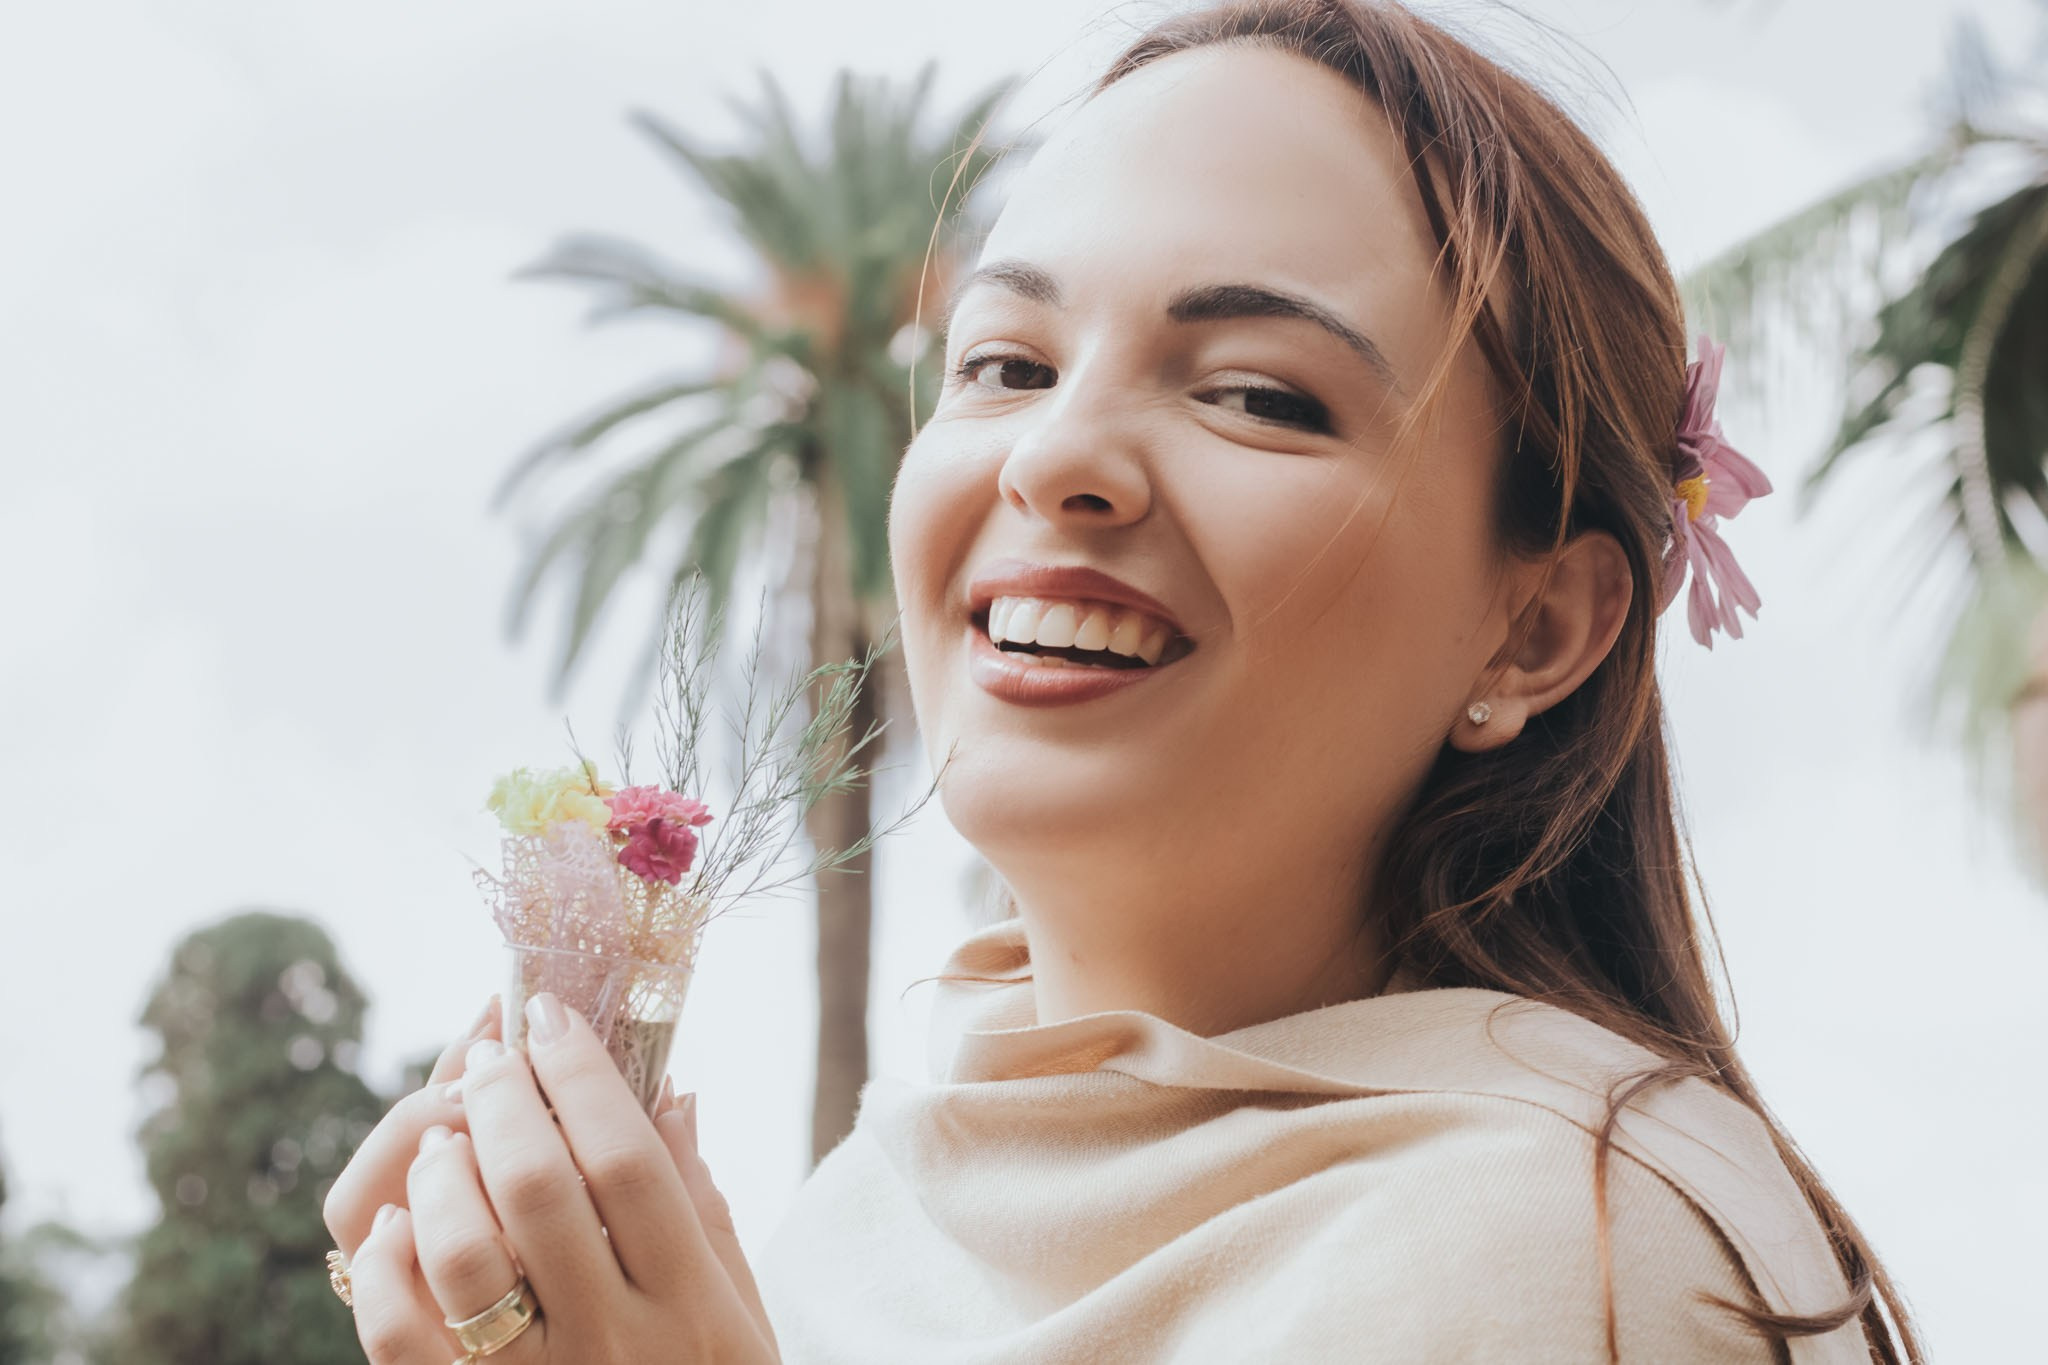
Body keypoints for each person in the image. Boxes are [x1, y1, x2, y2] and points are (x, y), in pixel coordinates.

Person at [321, 1, 1923, 1360]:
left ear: (1539, 630)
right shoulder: (852, 1231)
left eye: (1256, 395)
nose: (1059, 454)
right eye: (1005, 364)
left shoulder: (1579, 1250)